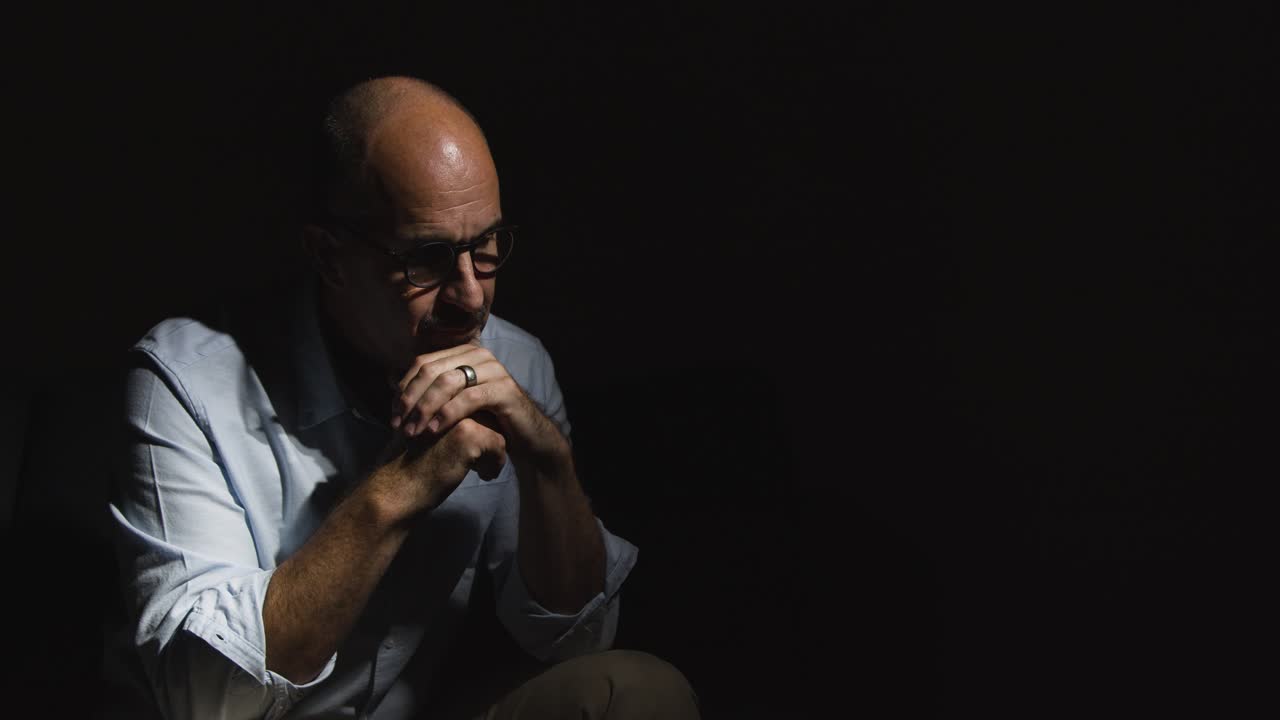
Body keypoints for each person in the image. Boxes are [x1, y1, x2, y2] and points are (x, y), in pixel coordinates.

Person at [108, 76, 700, 719]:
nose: (471, 297)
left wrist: (547, 462)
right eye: (428, 258)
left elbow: (572, 640)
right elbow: (203, 701)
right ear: (328, 255)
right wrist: (397, 488)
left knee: (637, 688)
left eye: (487, 246)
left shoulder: (513, 361)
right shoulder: (185, 382)